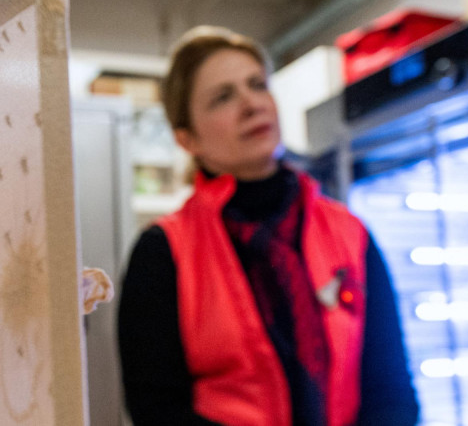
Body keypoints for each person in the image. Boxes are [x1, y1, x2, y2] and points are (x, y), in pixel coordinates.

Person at [117, 26, 419, 426]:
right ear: (188, 139)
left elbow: (392, 393)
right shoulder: (163, 251)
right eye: (223, 97)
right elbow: (157, 413)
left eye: (257, 85)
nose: (250, 104)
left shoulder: (349, 233)